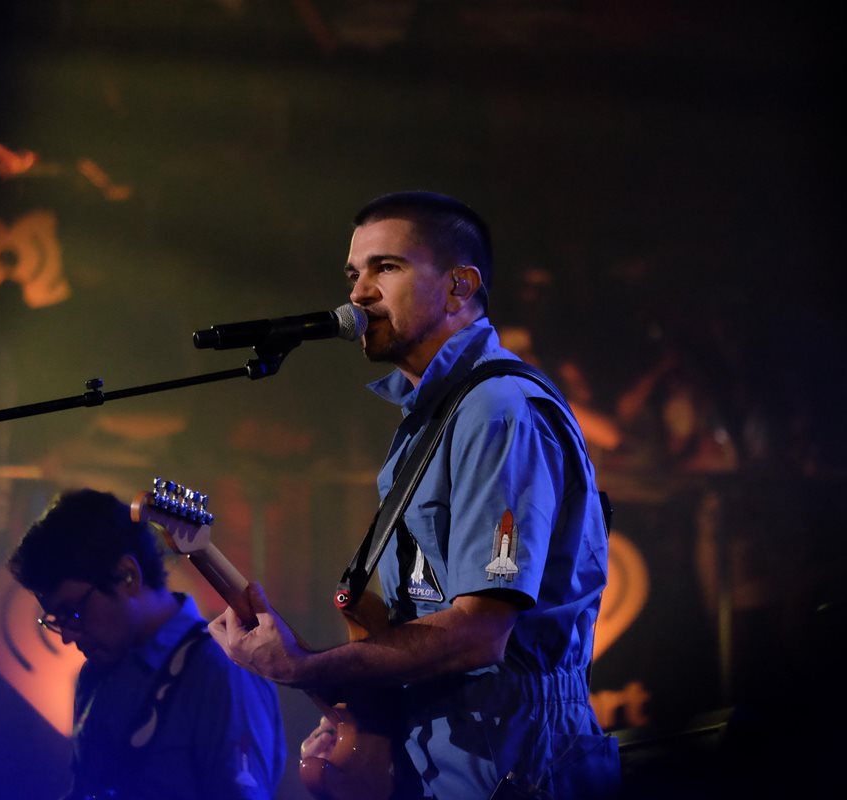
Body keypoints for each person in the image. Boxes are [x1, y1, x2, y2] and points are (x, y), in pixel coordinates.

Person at [208, 191, 620, 799]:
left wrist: (302, 668)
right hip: (453, 757)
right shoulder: (434, 415)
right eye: (355, 273)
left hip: (517, 759)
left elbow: (481, 633)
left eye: (387, 267)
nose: (358, 293)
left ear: (459, 286)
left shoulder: (495, 409)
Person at [7, 488, 286, 800]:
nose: (67, 636)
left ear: (128, 576)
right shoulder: (95, 675)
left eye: (73, 611)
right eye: (55, 619)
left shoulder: (222, 670)